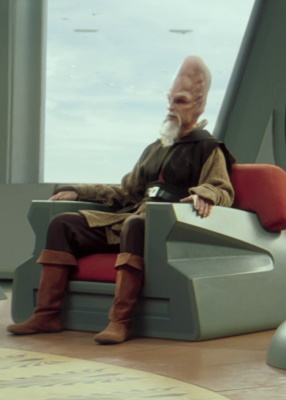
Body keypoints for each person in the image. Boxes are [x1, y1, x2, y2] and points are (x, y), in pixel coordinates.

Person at [7, 56, 235, 345]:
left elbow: (222, 188)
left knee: (136, 225)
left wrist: (205, 194)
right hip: (130, 221)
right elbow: (126, 193)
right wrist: (78, 191)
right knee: (63, 224)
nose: (171, 107)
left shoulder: (209, 148)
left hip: (168, 230)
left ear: (199, 104)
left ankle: (120, 321)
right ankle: (47, 314)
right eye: (169, 100)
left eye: (180, 101)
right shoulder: (155, 149)